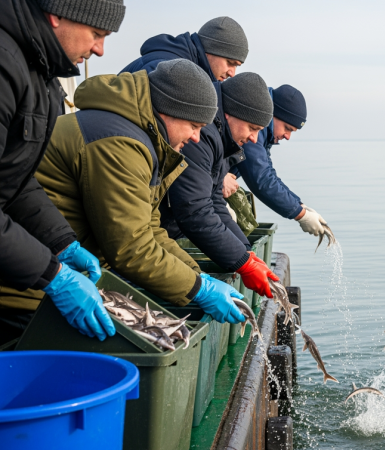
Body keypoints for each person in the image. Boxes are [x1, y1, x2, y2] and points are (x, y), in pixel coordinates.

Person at [34, 59, 247, 325]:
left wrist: (197, 275)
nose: (196, 138)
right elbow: (131, 248)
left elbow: (150, 229)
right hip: (34, 289)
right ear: (169, 111)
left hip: (74, 274)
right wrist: (198, 289)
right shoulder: (120, 143)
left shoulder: (144, 138)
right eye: (194, 126)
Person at [0, 0, 126, 343]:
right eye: (96, 34)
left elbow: (15, 183)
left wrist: (60, 242)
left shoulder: (42, 77)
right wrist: (52, 273)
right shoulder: (5, 65)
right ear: (57, 15)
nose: (99, 50)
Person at [159, 72, 279, 298]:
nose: (254, 139)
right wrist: (243, 263)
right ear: (231, 113)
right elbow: (194, 210)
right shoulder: (203, 137)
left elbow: (214, 199)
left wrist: (245, 252)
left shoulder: (222, 138)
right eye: (252, 128)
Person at [227, 85, 329, 238]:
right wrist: (301, 215)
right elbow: (261, 179)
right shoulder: (254, 125)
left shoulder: (264, 133)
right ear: (273, 114)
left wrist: (300, 205)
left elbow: (268, 171)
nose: (287, 136)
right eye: (287, 128)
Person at [121, 16, 247, 82]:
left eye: (237, 66)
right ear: (209, 50)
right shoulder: (165, 71)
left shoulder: (184, 71)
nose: (232, 73)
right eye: (230, 63)